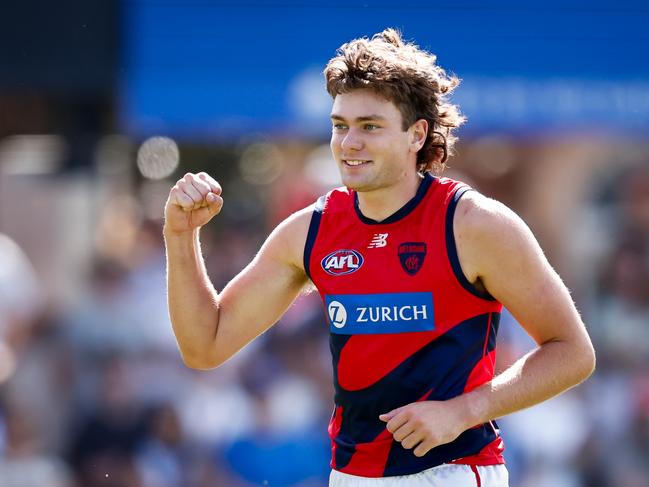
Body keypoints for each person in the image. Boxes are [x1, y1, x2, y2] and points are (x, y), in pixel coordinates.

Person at [163, 29, 596, 487]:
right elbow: (205, 345)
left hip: (452, 472)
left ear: (417, 135)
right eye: (339, 125)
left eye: (369, 126)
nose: (349, 143)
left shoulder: (475, 224)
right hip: (349, 476)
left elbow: (572, 353)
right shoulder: (311, 230)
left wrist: (463, 411)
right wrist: (180, 235)